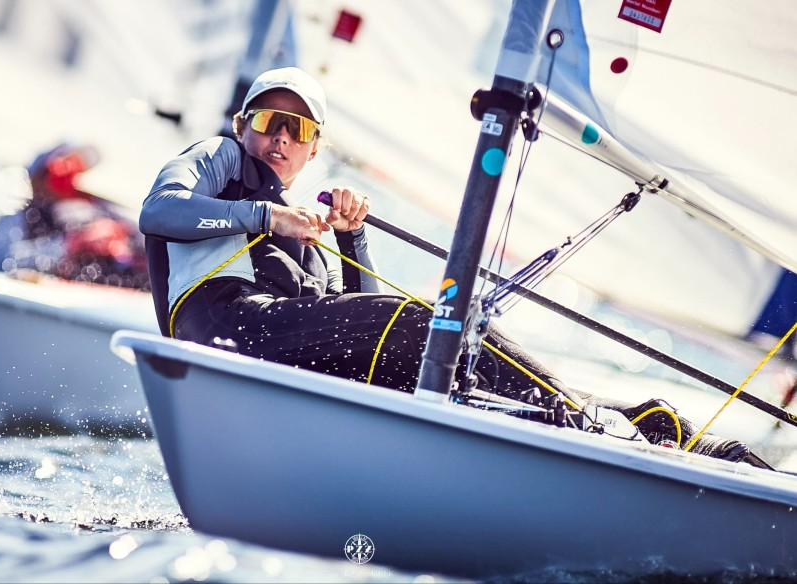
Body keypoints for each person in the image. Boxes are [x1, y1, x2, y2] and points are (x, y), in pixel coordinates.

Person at [139, 66, 750, 464]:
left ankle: (651, 427)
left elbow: (356, 320)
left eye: (297, 129)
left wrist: (352, 237)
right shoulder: (221, 159)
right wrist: (265, 217)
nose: (281, 138)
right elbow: (158, 210)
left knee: (456, 357)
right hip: (222, 328)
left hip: (277, 357)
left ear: (314, 147)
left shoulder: (306, 226)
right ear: (243, 126)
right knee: (430, 324)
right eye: (269, 122)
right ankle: (599, 427)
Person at [0, 143, 150, 290]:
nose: (68, 173)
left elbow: (147, 238)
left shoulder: (101, 208)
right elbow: (2, 260)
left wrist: (121, 239)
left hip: (122, 291)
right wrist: (68, 246)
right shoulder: (25, 213)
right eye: (61, 168)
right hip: (55, 289)